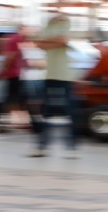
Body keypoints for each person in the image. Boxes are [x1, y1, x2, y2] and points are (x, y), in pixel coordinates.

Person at [33, 12, 77, 158]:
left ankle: (70, 147)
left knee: (69, 111)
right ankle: (42, 146)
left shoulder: (67, 21)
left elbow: (63, 40)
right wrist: (53, 41)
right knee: (44, 111)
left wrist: (48, 41)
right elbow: (38, 43)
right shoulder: (47, 24)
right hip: (50, 75)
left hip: (65, 75)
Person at [0, 25, 29, 133]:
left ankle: (13, 123)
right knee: (13, 99)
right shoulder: (14, 39)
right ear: (21, 29)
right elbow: (10, 55)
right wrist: (3, 70)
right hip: (14, 74)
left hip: (18, 74)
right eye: (26, 29)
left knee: (14, 98)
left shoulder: (20, 39)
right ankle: (9, 123)